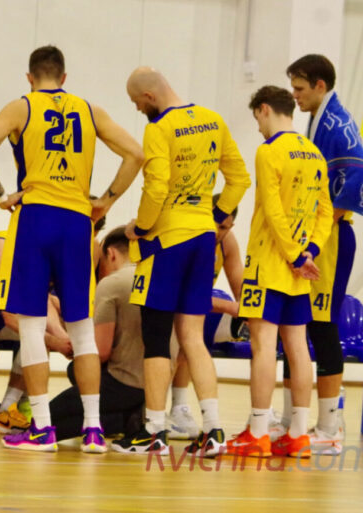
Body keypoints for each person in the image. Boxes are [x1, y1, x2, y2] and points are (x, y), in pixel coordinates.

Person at [0, 45, 144, 453]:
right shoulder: (90, 110)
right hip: (77, 223)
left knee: (31, 326)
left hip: (35, 219)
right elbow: (136, 154)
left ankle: (43, 428)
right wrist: (106, 201)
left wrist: (1, 195)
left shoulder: (21, 106)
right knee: (82, 330)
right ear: (64, 78)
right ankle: (93, 430)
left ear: (30, 78)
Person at [116, 66, 250, 457]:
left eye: (137, 102)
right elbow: (239, 179)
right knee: (192, 336)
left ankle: (154, 431)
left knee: (156, 337)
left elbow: (156, 186)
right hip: (203, 239)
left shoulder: (159, 128)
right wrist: (216, 215)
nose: (138, 109)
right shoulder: (213, 120)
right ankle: (214, 430)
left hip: (167, 241)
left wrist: (140, 227)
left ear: (150, 96)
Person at [278, 54, 363, 454]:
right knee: (294, 324)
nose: (295, 96)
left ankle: (329, 426)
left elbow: (357, 178)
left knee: (322, 327)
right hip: (312, 236)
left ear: (320, 86)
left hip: (331, 239)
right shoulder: (318, 120)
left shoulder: (337, 124)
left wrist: (321, 226)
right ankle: (291, 420)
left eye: (300, 88)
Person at [226, 85, 332, 458]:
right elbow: (325, 213)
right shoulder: (315, 154)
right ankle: (299, 434)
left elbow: (272, 210)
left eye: (257, 118)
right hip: (300, 271)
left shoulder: (269, 151)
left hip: (270, 264)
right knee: (298, 348)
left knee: (263, 347)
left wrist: (292, 255)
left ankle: (258, 432)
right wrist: (309, 253)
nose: (258, 127)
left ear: (265, 109)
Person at [0, 230, 74, 434]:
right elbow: (9, 317)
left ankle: (7, 410)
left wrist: (63, 339)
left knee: (37, 335)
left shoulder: (38, 257)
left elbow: (43, 303)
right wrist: (55, 342)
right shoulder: (4, 250)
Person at [50, 227, 147, 440]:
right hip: (155, 384)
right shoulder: (159, 277)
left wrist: (66, 342)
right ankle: (132, 415)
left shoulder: (112, 283)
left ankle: (121, 419)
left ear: (111, 254)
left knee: (46, 421)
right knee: (75, 371)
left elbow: (100, 352)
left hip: (123, 383)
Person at [167, 194, 245, 440]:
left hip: (199, 308)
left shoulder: (226, 242)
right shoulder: (189, 234)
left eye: (223, 227)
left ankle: (263, 414)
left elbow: (241, 290)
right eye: (215, 222)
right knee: (184, 331)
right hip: (168, 305)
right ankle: (163, 409)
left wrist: (251, 312)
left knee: (263, 326)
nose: (217, 231)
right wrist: (230, 307)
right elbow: (181, 292)